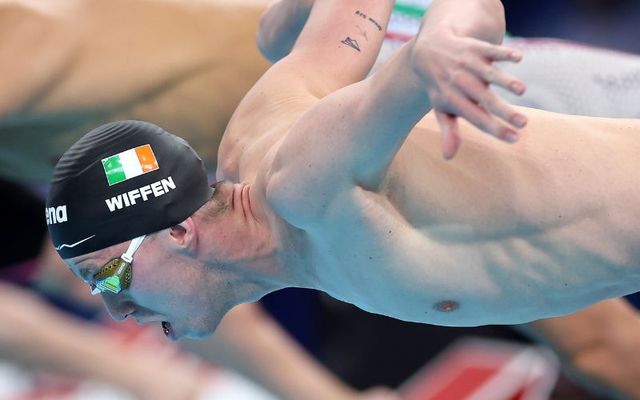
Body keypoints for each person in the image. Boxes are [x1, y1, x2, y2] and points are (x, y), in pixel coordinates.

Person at [50, 0, 640, 336]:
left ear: (179, 230)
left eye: (106, 277)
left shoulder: (307, 184)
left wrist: (444, 42)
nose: (113, 309)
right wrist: (291, 17)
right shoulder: (251, 134)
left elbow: (466, 14)